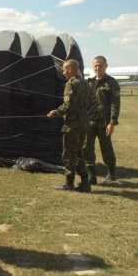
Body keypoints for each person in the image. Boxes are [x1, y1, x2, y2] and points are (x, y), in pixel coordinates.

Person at [48, 59, 92, 192]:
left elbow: (68, 104)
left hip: (73, 125)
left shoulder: (71, 84)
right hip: (84, 122)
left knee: (69, 154)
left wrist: (55, 112)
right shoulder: (85, 83)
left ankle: (69, 183)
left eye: (65, 69)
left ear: (71, 70)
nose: (63, 72)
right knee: (79, 153)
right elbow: (89, 103)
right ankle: (85, 182)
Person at [83, 56, 120, 183]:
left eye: (100, 65)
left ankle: (111, 172)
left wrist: (112, 122)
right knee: (87, 148)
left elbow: (115, 104)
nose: (98, 68)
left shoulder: (111, 83)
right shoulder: (89, 82)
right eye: (95, 66)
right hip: (89, 121)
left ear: (106, 66)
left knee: (106, 148)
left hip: (103, 123)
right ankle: (91, 175)